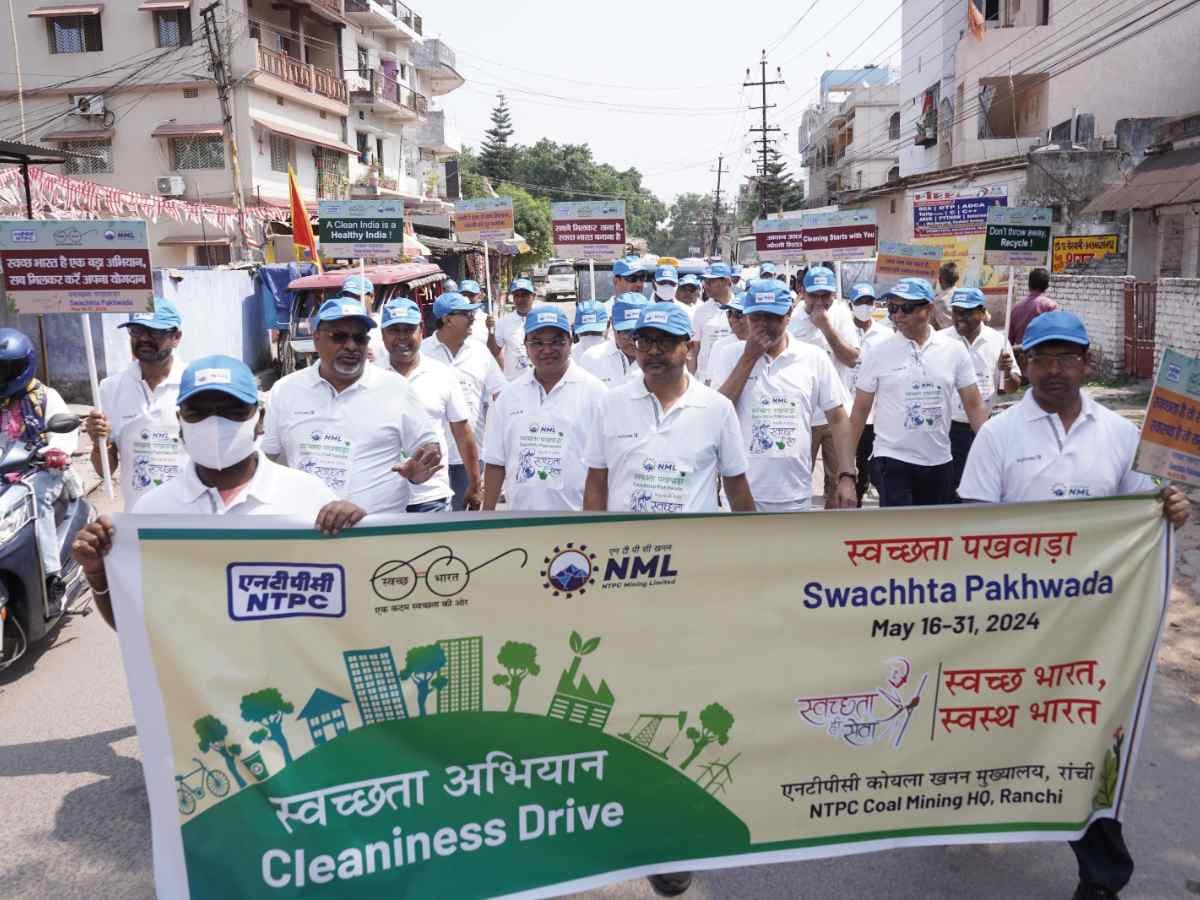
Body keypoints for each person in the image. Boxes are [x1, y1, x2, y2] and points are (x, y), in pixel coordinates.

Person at [957, 310, 1188, 900]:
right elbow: (974, 535)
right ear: (1025, 365)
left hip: (1093, 632)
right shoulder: (999, 435)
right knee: (995, 735)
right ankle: (957, 810)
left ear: (1086, 363)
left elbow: (1145, 517)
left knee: (1086, 746)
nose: (1053, 370)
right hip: (1013, 624)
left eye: (1066, 358)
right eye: (1041, 358)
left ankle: (1102, 873)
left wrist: (1171, 512)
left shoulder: (1118, 433)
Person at [71, 355, 367, 631]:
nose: (215, 423)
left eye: (233, 411)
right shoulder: (153, 511)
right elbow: (134, 624)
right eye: (198, 412)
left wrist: (359, 534)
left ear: (259, 418)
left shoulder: (307, 495)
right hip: (196, 684)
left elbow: (351, 599)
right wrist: (97, 573)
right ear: (180, 420)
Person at [262, 296, 442, 514]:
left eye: (359, 339)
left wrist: (422, 467)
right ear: (316, 339)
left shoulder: (396, 389)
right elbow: (269, 460)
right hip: (307, 532)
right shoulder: (285, 391)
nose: (351, 346)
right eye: (339, 337)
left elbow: (428, 447)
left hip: (378, 531)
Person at [583, 302, 755, 514]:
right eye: (644, 342)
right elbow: (596, 482)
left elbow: (736, 485)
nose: (654, 350)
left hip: (693, 543)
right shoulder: (610, 405)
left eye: (665, 342)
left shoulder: (717, 408)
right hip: (627, 543)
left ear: (689, 348)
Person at [717, 279, 856, 511]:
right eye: (756, 317)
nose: (763, 325)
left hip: (794, 496)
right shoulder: (729, 355)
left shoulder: (813, 357)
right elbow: (719, 412)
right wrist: (748, 358)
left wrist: (847, 475)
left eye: (772, 317)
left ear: (789, 315)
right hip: (740, 495)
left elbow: (838, 418)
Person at [848, 278, 989, 507]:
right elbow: (860, 411)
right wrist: (847, 468)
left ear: (928, 309)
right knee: (899, 536)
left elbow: (974, 405)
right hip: (892, 460)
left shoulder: (954, 351)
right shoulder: (878, 353)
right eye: (893, 308)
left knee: (933, 534)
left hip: (939, 461)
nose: (898, 315)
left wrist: (990, 450)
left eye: (907, 308)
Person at [482, 306, 606, 511]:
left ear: (570, 340)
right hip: (521, 524)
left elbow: (605, 468)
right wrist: (486, 515)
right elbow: (495, 462)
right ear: (525, 345)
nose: (547, 350)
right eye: (537, 342)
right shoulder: (509, 397)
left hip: (578, 523)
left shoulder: (596, 393)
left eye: (556, 342)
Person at [0, 329, 78, 617]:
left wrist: (56, 452)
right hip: (2, 475)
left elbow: (67, 432)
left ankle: (51, 577)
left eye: (7, 369)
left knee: (37, 502)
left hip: (40, 472)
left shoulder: (45, 396)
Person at [377, 298, 482, 512]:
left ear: (421, 331)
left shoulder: (442, 374)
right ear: (382, 335)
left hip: (431, 498)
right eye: (394, 330)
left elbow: (462, 433)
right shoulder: (370, 378)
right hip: (382, 500)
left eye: (409, 329)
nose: (402, 338)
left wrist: (474, 482)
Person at [85, 296, 186, 511]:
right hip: (139, 518)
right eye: (137, 331)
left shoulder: (194, 383)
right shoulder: (110, 388)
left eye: (155, 332)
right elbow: (105, 471)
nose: (144, 339)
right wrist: (99, 442)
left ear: (176, 337)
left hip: (193, 516)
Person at [422, 291, 507, 510]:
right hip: (430, 459)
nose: (472, 318)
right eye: (465, 314)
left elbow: (502, 395)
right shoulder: (422, 352)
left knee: (464, 524)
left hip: (470, 457)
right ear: (447, 319)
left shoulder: (479, 352)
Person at [936, 287, 1020, 495]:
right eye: (956, 312)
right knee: (950, 488)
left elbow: (1010, 388)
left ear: (982, 312)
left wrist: (1007, 372)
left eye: (966, 312)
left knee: (982, 488)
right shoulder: (940, 341)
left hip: (984, 428)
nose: (960, 318)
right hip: (948, 428)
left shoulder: (998, 341)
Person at [789, 265, 860, 508]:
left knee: (838, 483)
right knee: (796, 482)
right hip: (802, 417)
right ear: (803, 292)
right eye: (814, 295)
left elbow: (852, 359)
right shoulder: (792, 319)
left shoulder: (841, 314)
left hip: (835, 416)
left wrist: (827, 328)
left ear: (834, 295)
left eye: (825, 295)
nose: (819, 301)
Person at [846, 283, 893, 506]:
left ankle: (860, 497)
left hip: (873, 412)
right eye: (860, 302)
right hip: (844, 408)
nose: (865, 307)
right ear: (850, 305)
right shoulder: (841, 330)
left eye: (869, 302)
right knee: (844, 462)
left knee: (865, 462)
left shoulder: (884, 334)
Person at [578, 293, 645, 388]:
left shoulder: (659, 362)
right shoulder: (591, 359)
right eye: (626, 331)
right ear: (613, 324)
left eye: (638, 332)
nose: (632, 340)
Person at [694, 263, 735, 383]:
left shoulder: (741, 310)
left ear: (726, 281)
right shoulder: (701, 311)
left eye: (710, 282)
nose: (705, 286)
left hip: (732, 376)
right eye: (704, 281)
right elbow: (695, 349)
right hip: (705, 379)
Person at [491, 277, 536, 380]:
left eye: (524, 295)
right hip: (514, 381)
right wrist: (490, 332)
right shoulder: (504, 322)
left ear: (533, 296)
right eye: (516, 296)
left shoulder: (541, 318)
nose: (520, 299)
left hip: (539, 380)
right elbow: (495, 351)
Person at [704, 292, 750, 388]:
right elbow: (709, 380)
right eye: (729, 314)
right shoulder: (720, 346)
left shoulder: (762, 345)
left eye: (738, 314)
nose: (732, 319)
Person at [1008, 266, 1057, 349]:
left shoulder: (1016, 308)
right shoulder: (1051, 306)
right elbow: (1054, 335)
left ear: (1029, 285)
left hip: (1021, 355)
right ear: (1047, 286)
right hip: (1042, 355)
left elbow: (1009, 340)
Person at [458, 278, 494, 348]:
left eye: (471, 295)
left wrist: (491, 332)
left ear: (479, 296)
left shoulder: (487, 319)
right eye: (464, 295)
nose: (467, 299)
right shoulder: (454, 319)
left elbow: (493, 347)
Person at [931, 261, 959, 330]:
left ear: (940, 280)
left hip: (949, 336)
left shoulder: (939, 301)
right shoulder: (963, 293)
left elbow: (932, 324)